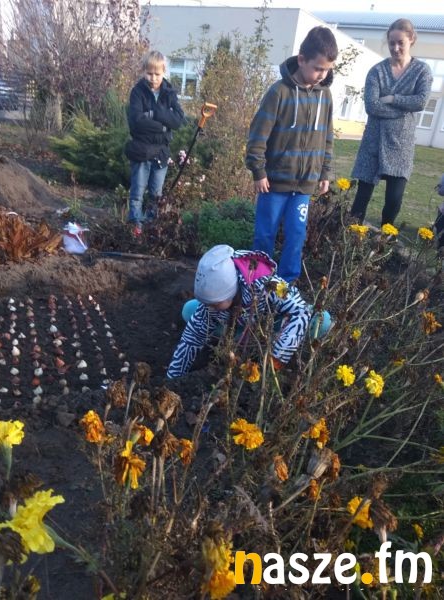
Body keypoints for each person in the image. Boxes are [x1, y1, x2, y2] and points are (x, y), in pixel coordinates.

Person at [246, 26, 338, 284]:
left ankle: (286, 285)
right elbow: (258, 135)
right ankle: (258, 281)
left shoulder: (325, 96)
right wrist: (258, 171)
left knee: (296, 234)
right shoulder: (279, 92)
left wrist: (324, 172)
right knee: (265, 234)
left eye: (327, 70)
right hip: (274, 183)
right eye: (318, 68)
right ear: (301, 59)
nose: (322, 75)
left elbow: (327, 136)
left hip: (305, 184)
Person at [167, 245, 313, 379]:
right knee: (190, 310)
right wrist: (173, 376)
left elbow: (301, 310)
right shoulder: (212, 303)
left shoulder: (267, 283)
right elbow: (192, 337)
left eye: (214, 304)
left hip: (269, 327)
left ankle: (258, 343)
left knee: (319, 320)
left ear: (229, 293)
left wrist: (277, 355)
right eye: (207, 304)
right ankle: (236, 340)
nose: (210, 307)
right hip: (238, 326)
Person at [350, 19, 433, 226]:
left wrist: (392, 98)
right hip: (373, 141)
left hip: (401, 145)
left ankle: (384, 240)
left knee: (393, 201)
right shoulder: (377, 71)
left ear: (411, 40)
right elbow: (372, 106)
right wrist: (403, 110)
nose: (395, 48)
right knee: (361, 198)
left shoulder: (422, 71)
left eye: (400, 43)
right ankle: (349, 237)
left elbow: (421, 101)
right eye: (391, 43)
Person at [125, 51, 185, 237]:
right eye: (149, 73)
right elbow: (136, 122)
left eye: (157, 74)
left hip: (161, 153)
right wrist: (163, 127)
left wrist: (155, 114)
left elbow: (178, 120)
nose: (153, 78)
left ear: (164, 72)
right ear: (144, 71)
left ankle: (150, 229)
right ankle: (136, 228)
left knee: (156, 195)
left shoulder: (169, 93)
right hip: (141, 151)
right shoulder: (137, 92)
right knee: (137, 193)